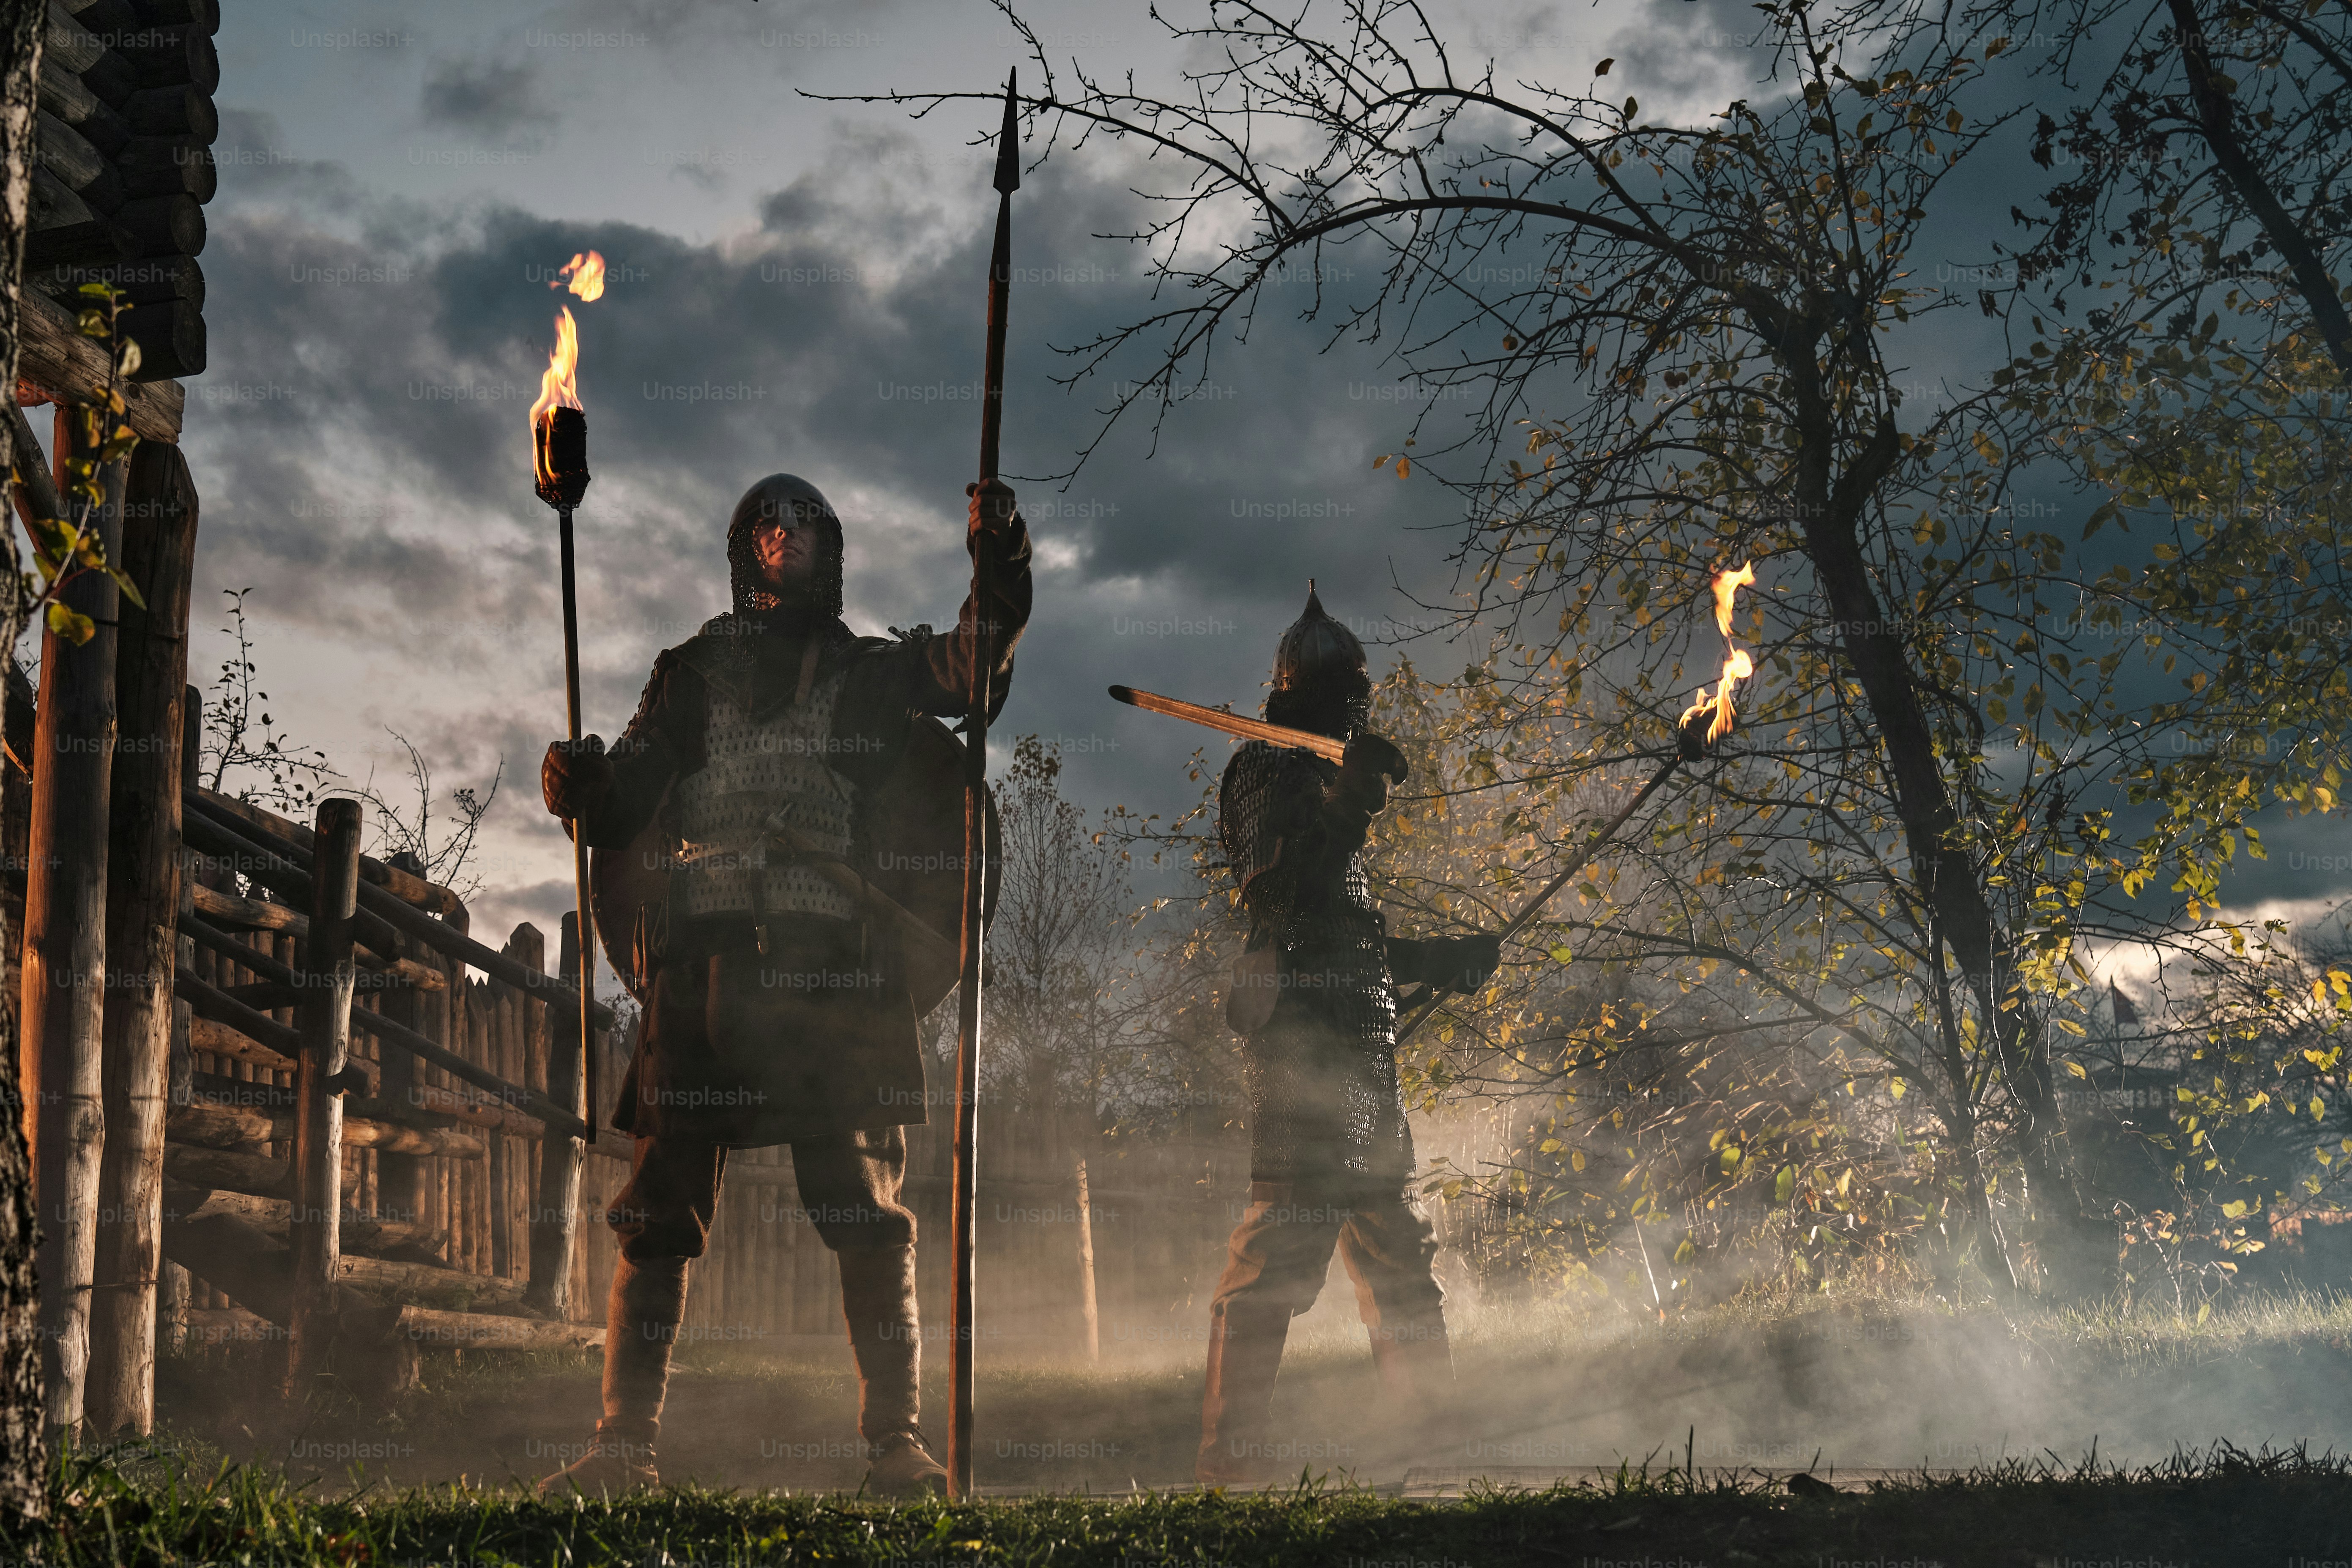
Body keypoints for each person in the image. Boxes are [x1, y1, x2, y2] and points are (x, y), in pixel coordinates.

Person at [537, 473, 1031, 1496]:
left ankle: (893, 1446)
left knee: (863, 1205)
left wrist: (998, 564)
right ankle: (625, 1449)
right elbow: (629, 783)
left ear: (829, 548)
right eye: (768, 526)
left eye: (802, 527)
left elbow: (970, 672)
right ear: (743, 547)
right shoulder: (689, 672)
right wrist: (580, 782)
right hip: (704, 966)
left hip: (831, 974)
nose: (784, 538)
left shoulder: (867, 674)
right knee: (660, 1205)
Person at [1198, 583, 1499, 1486]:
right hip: (1301, 1065)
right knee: (1271, 1274)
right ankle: (1228, 1463)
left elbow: (1347, 939)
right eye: (1342, 693)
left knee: (1401, 1272)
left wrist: (1436, 959)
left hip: (1363, 1074)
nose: (1352, 708)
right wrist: (1348, 804)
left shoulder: (1326, 783)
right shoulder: (1265, 772)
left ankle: (1430, 1455)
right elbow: (1283, 902)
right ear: (1306, 695)